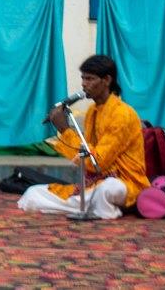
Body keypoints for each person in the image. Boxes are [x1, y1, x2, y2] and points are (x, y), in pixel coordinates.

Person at [18, 55, 149, 219]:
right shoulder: (92, 113)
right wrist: (65, 131)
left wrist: (65, 129)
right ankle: (91, 208)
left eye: (90, 79)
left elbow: (97, 163)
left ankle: (92, 207)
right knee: (32, 193)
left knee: (108, 189)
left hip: (125, 183)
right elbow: (84, 156)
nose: (83, 84)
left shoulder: (122, 114)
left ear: (107, 80)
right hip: (95, 182)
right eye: (83, 78)